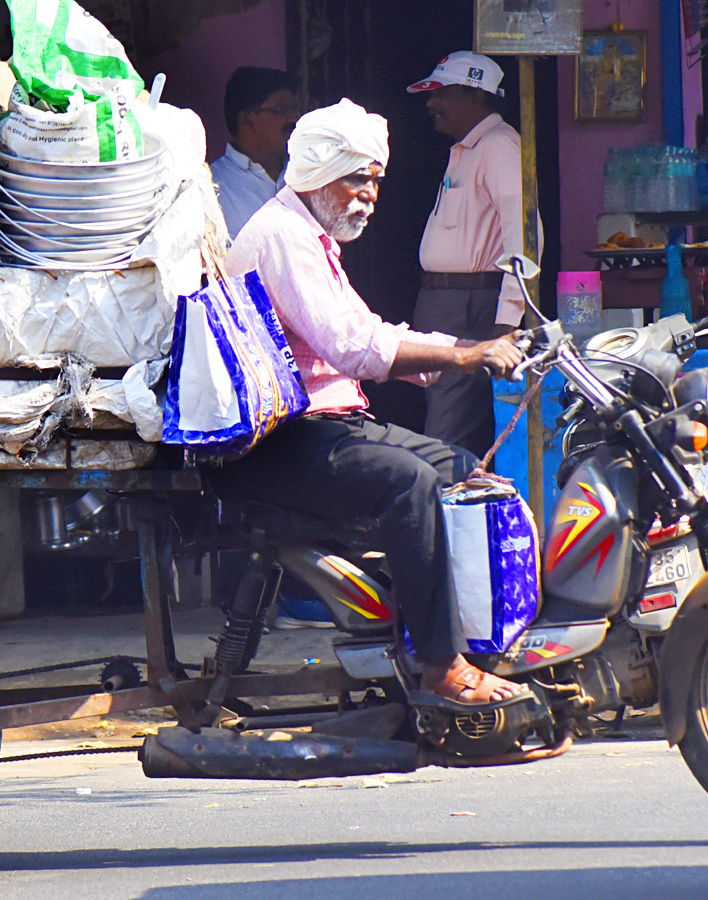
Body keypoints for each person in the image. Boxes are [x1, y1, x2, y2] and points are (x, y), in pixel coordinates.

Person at [212, 99, 528, 705]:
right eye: (358, 178)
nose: (371, 195)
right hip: (282, 436)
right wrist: (465, 356)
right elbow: (355, 347)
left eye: (376, 180)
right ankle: (439, 665)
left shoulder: (311, 237)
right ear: (319, 174)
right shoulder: (283, 238)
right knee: (408, 482)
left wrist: (459, 349)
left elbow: (364, 331)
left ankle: (476, 640)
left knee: (467, 473)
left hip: (330, 424)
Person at [408, 51, 540, 459]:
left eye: (442, 93)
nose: (431, 103)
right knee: (449, 418)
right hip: (448, 303)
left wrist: (507, 318)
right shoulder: (469, 149)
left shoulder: (499, 146)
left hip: (472, 305)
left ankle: (442, 496)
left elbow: (524, 235)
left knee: (448, 431)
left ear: (476, 96)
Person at [209, 67, 300, 239]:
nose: (293, 118)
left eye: (294, 110)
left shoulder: (305, 172)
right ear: (247, 120)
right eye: (282, 110)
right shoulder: (214, 187)